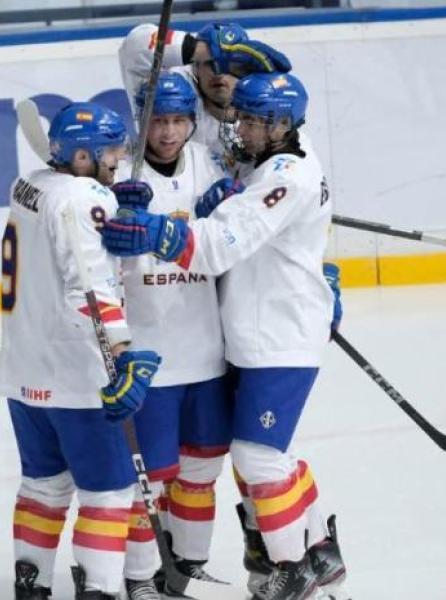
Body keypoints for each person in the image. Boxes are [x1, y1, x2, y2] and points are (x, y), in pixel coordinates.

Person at [101, 72, 347, 600]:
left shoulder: (285, 174)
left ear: (281, 125)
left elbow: (217, 247)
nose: (241, 127)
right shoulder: (275, 161)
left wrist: (157, 230)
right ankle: (318, 546)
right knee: (263, 456)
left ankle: (293, 565)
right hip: (258, 333)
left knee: (256, 458)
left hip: (277, 335)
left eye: (254, 120)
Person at [0, 102, 164, 600]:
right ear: (84, 156)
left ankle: (32, 586)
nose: (119, 158)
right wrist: (124, 352)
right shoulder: (82, 199)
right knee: (109, 493)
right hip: (79, 374)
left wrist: (115, 203)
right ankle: (101, 591)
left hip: (24, 371)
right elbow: (90, 289)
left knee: (43, 487)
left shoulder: (27, 184)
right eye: (110, 151)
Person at [109, 73, 234, 596]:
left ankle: (183, 566)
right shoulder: (118, 174)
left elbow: (239, 236)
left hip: (206, 352)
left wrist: (227, 204)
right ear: (143, 120)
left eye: (179, 120)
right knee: (151, 480)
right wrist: (114, 211)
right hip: (149, 358)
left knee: (202, 472)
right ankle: (139, 578)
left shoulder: (207, 164)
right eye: (158, 120)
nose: (168, 132)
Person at [118, 21, 292, 163]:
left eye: (231, 66)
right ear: (195, 67)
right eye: (211, 63)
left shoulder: (257, 115)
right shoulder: (172, 86)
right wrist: (207, 50)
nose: (219, 73)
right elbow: (134, 47)